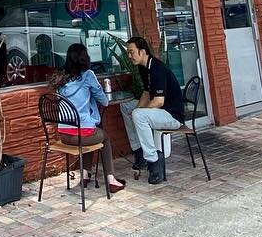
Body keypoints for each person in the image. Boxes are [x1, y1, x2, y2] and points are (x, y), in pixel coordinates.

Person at [55, 43, 125, 194]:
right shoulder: (88, 75)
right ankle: (111, 180)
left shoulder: (62, 79)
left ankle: (85, 175)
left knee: (90, 133)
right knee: (103, 138)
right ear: (84, 58)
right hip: (81, 134)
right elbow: (104, 101)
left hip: (64, 135)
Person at [118, 35, 184, 185]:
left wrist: (139, 113)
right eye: (128, 53)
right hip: (160, 112)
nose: (129, 56)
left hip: (172, 116)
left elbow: (158, 101)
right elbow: (147, 93)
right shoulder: (143, 68)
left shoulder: (157, 68)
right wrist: (137, 109)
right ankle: (139, 152)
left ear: (142, 51)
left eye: (131, 52)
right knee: (126, 106)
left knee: (138, 114)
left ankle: (153, 161)